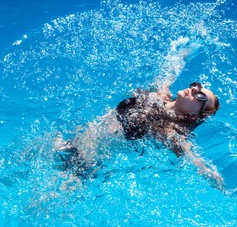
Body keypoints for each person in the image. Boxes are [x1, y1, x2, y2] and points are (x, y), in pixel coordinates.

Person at [54, 41, 223, 191]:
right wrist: (183, 54)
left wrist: (221, 185)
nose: (194, 89)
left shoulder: (170, 131)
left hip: (85, 164)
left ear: (194, 115)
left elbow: (197, 163)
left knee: (46, 201)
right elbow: (169, 70)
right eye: (197, 86)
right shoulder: (161, 94)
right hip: (74, 141)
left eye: (200, 97)